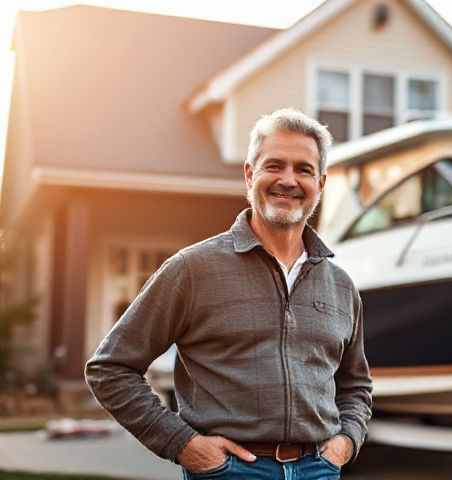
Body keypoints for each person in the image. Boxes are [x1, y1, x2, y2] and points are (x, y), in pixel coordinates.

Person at [85, 108, 373, 479]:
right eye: (274, 166)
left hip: (319, 469)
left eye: (303, 169)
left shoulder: (341, 285)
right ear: (250, 174)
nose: (288, 180)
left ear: (320, 183)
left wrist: (346, 442)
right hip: (230, 472)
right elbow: (110, 368)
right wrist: (184, 445)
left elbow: (356, 384)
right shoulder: (192, 269)